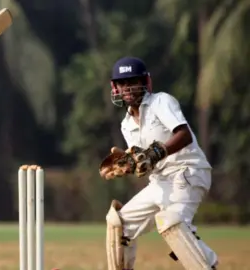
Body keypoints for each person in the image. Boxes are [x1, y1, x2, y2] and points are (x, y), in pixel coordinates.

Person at [100, 57, 219, 270]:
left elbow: (184, 135)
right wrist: (130, 165)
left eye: (132, 81)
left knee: (172, 224)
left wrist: (156, 152)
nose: (127, 88)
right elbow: (145, 164)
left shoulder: (161, 102)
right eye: (122, 83)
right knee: (118, 225)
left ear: (145, 82)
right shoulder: (126, 125)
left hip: (187, 171)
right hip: (159, 182)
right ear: (115, 87)